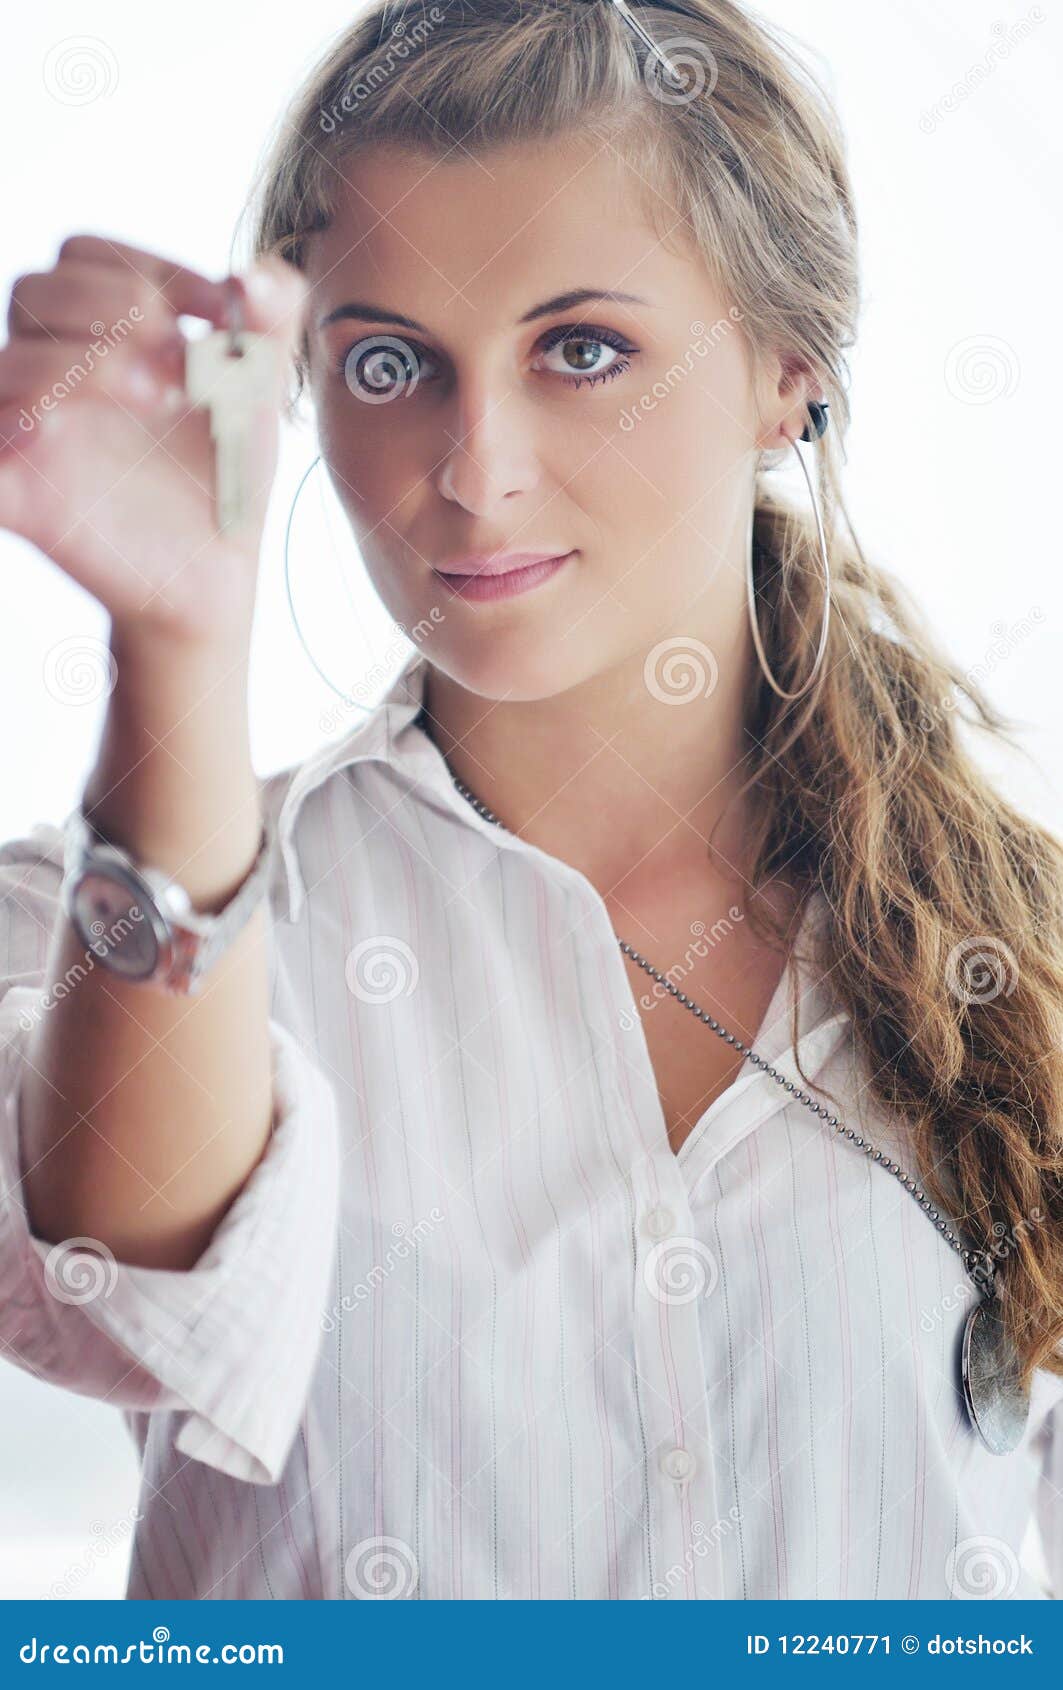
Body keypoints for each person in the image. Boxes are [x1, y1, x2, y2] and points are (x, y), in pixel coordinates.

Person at [1, 0, 1061, 1602]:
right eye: (389, 363)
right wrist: (177, 641)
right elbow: (136, 1288)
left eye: (581, 351)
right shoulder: (100, 921)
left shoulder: (1026, 956)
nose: (475, 468)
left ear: (787, 375)